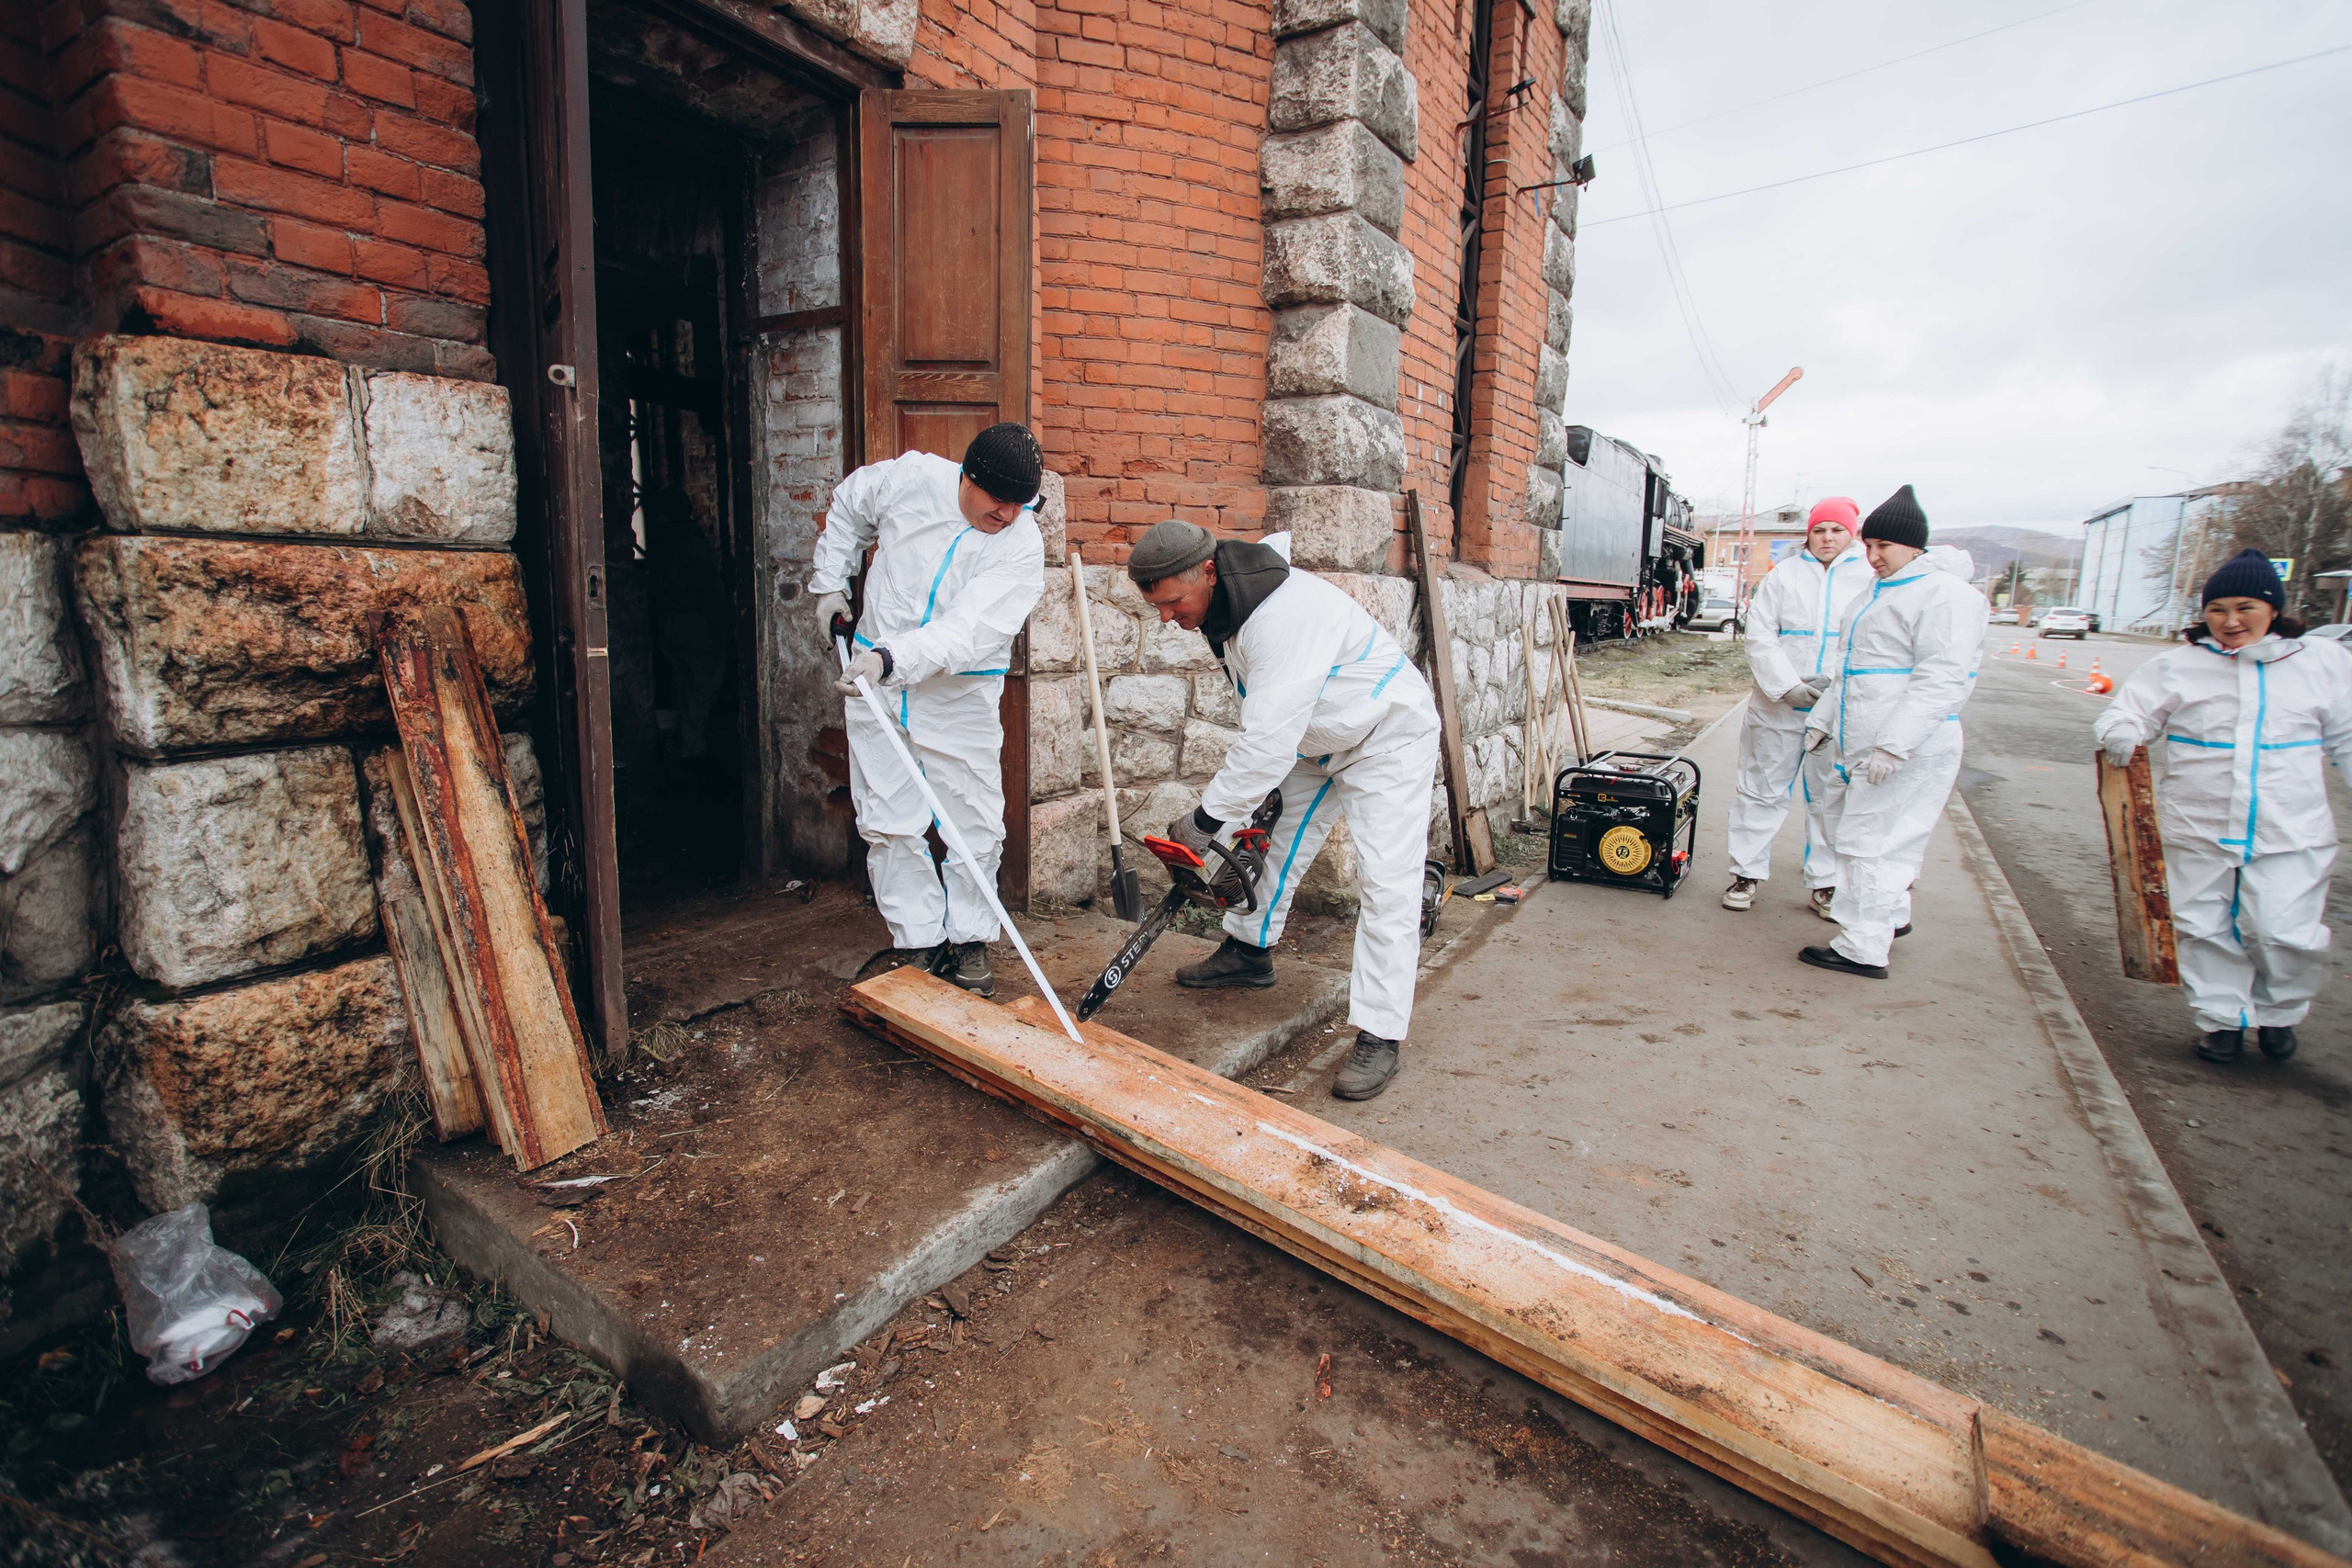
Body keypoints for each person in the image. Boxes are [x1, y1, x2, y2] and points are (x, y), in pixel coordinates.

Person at [1125, 520, 1442, 1101]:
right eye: (1156, 606)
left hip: (1386, 733)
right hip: (1314, 735)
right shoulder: (1224, 605)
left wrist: (1205, 820)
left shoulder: (1282, 616)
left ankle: (1380, 1031)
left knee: (1387, 885)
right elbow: (1274, 726)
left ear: (1210, 573)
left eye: (1172, 603)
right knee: (1272, 846)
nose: (1166, 617)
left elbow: (1265, 740)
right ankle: (1248, 952)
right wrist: (1234, 813)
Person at [809, 424, 1046, 996]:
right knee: (887, 814)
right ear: (966, 477)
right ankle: (917, 940)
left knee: (974, 820)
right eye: (999, 500)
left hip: (956, 688)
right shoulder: (910, 479)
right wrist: (829, 584)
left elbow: (967, 632)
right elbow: (848, 506)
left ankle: (968, 938)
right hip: (875, 679)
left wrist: (894, 659)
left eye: (1021, 504)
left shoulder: (1021, 545)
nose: (1009, 514)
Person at [2091, 550, 2352, 1063]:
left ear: (2273, 609)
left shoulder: (2321, 664)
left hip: (2290, 827)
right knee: (2202, 926)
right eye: (2218, 610)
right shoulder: (2177, 665)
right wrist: (2122, 731)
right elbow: (2128, 712)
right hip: (2199, 823)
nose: (2231, 622)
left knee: (2285, 931)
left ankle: (2278, 1012)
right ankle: (2222, 1019)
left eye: (2246, 607)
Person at [1798, 485, 1985, 978]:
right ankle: (1889, 919)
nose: (1873, 556)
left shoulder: (1944, 596)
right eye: (1870, 545)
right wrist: (1822, 723)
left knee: (1872, 844)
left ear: (1914, 546)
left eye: (1883, 546)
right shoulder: (1881, 592)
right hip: (1865, 743)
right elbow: (1852, 670)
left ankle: (1861, 946)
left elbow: (1940, 678)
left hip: (1901, 748)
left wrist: (1893, 746)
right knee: (1871, 837)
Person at [1722, 498, 1870, 915]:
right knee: (1760, 790)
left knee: (1829, 798)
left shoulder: (1867, 577)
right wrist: (1787, 687)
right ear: (1808, 532)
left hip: (1837, 709)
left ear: (1851, 533)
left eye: (1836, 530)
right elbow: (1761, 635)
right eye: (1819, 529)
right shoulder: (1784, 575)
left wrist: (1837, 689)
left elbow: (1868, 639)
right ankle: (1745, 873)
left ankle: (1826, 882)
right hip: (1779, 708)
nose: (1826, 538)